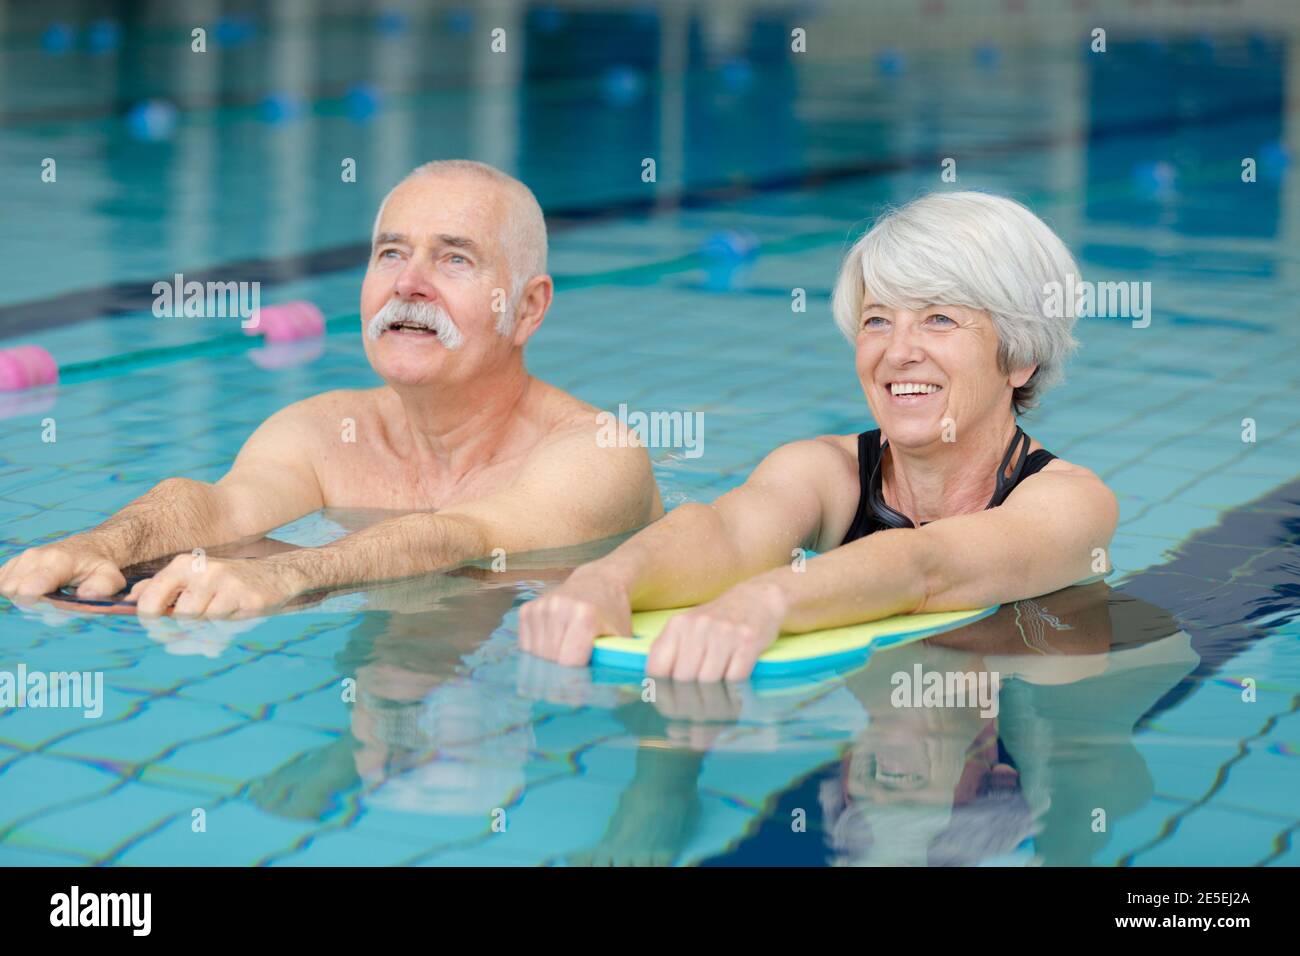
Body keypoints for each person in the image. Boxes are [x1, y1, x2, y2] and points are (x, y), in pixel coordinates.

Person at [0, 160, 662, 617]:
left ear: (527, 308)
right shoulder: (324, 429)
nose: (409, 283)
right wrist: (99, 545)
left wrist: (286, 573)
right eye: (391, 253)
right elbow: (222, 510)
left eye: (455, 258)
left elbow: (458, 537)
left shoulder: (597, 455)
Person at [520, 191, 1117, 682]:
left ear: (1021, 359)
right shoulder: (825, 470)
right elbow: (724, 534)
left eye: (939, 319)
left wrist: (764, 602)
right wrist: (602, 582)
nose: (898, 352)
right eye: (878, 319)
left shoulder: (1069, 504)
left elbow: (926, 564)